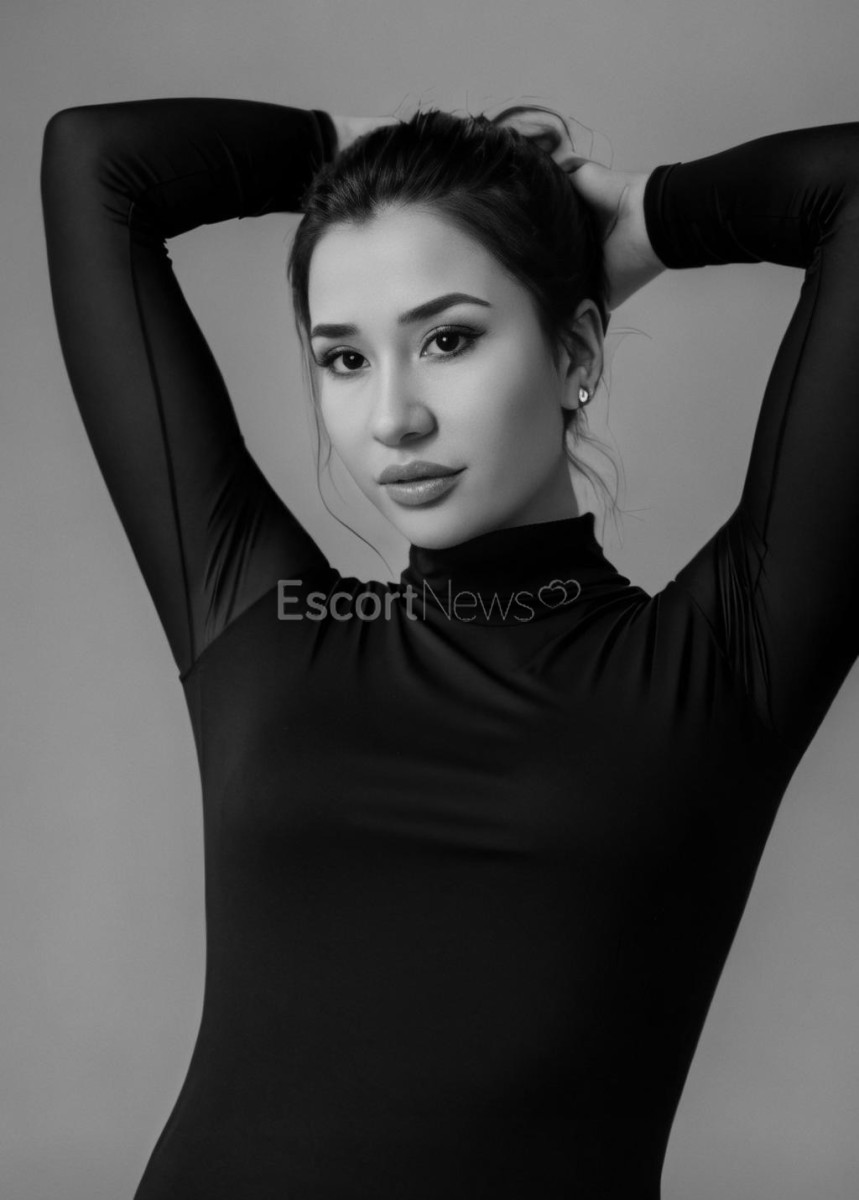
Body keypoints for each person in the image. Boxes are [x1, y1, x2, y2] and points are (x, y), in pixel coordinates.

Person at [39, 93, 859, 1198]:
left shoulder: (719, 665)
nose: (394, 418)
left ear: (575, 349)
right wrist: (373, 166)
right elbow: (95, 162)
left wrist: (644, 218)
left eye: (448, 339)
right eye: (344, 359)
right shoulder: (266, 630)